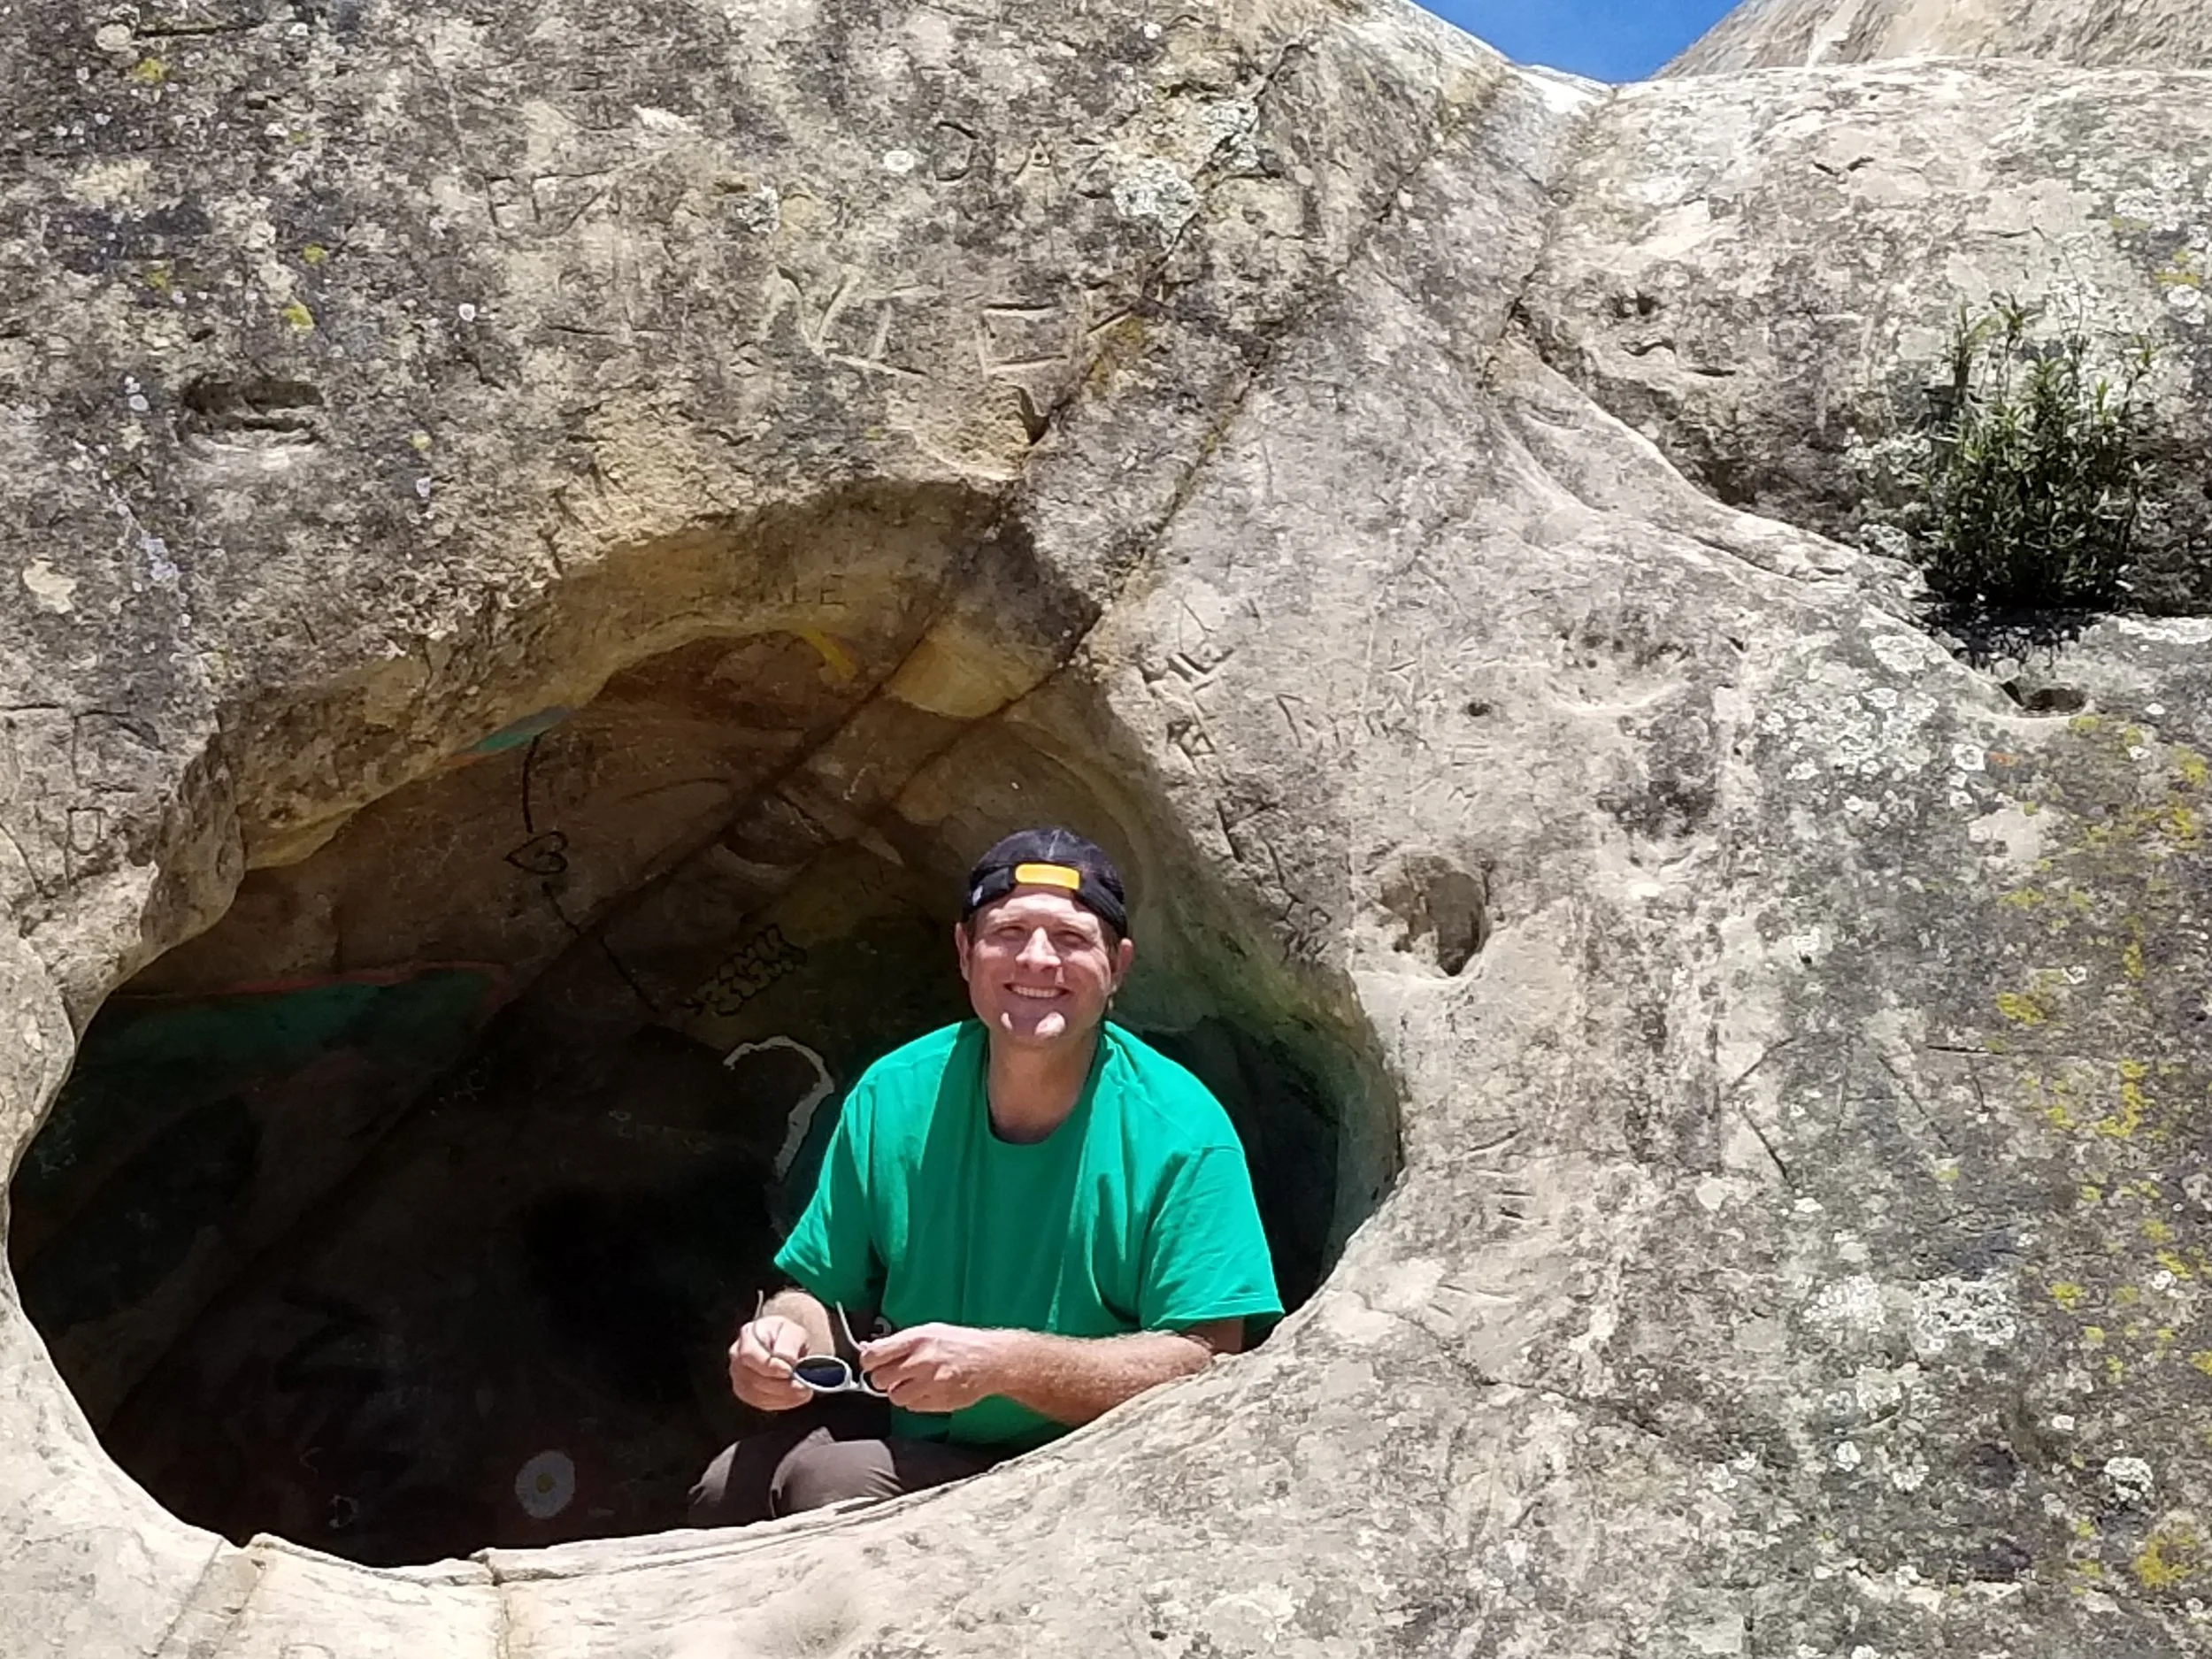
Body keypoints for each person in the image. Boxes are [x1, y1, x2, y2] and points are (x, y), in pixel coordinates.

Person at [687, 827, 1281, 1525]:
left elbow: (1205, 1358)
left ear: (1117, 966)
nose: (1037, 958)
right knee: (726, 1485)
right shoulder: (896, 1093)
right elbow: (820, 1292)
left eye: (1070, 938)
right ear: (965, 951)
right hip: (918, 1436)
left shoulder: (1181, 1132)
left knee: (831, 1479)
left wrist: (1005, 1366)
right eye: (1008, 931)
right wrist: (780, 1341)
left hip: (1095, 1463)